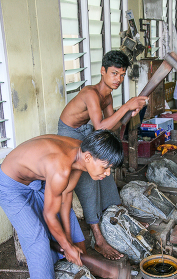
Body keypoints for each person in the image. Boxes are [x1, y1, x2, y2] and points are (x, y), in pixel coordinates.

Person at [0, 130, 123, 279]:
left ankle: (83, 267)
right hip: (11, 186)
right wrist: (66, 245)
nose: (107, 173)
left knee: (68, 220)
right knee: (38, 240)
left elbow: (65, 201)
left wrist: (72, 245)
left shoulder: (82, 155)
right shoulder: (61, 166)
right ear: (89, 158)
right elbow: (49, 215)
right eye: (106, 167)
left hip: (36, 181)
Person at [58, 50, 148, 260]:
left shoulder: (107, 97)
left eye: (122, 75)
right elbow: (99, 126)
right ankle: (98, 239)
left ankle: (121, 219)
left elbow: (111, 128)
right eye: (114, 73)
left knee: (106, 175)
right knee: (89, 181)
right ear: (103, 71)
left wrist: (128, 114)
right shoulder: (91, 93)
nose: (118, 79)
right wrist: (126, 106)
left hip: (87, 133)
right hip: (69, 135)